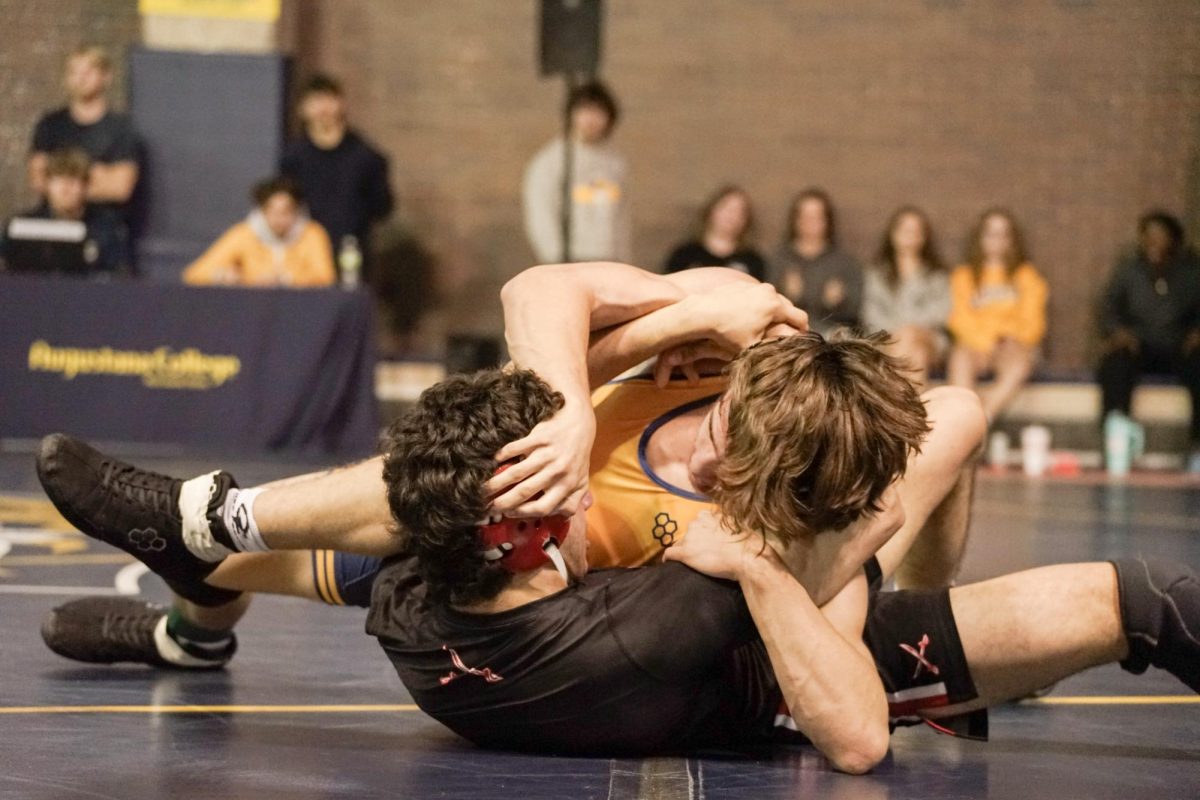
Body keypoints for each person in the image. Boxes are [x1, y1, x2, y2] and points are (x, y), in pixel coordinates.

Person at [35, 350, 1200, 773]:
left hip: (672, 652)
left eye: (728, 437)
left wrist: (792, 569)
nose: (704, 435)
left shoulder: (732, 564)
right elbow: (546, 292)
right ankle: (195, 574)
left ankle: (198, 560)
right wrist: (591, 399)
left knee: (1128, 597)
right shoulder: (766, 470)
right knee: (424, 511)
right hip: (608, 644)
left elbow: (846, 720)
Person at [1096, 211, 1200, 468]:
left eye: (1160, 236)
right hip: (1138, 344)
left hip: (1179, 345)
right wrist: (1117, 332)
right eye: (1148, 236)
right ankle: (1117, 433)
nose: (1154, 242)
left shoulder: (1191, 272)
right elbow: (1108, 309)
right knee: (1115, 363)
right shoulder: (1129, 270)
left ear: (1174, 240)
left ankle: (1198, 443)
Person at [280, 74, 394, 282]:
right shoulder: (293, 158)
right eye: (315, 101)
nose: (323, 109)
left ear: (341, 103)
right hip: (303, 254)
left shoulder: (365, 157)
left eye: (328, 99)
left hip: (351, 252)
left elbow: (382, 207)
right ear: (302, 109)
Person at [27, 46, 138, 241]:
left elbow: (120, 187)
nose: (81, 78)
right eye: (74, 72)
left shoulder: (120, 129)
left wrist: (62, 180)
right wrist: (96, 175)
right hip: (51, 228)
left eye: (88, 72)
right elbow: (38, 179)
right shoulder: (50, 125)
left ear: (106, 76)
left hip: (103, 231)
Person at [946, 209, 1049, 421]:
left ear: (1012, 240)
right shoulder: (964, 276)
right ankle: (962, 417)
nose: (997, 240)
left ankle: (983, 417)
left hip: (1012, 346)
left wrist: (1008, 338)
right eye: (991, 233)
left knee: (1021, 362)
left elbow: (1033, 321)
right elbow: (959, 319)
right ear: (980, 238)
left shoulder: (1027, 276)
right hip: (974, 346)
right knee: (960, 357)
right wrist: (986, 344)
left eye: (1003, 234)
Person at [522, 82, 631, 264]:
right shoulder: (553, 161)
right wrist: (554, 256)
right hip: (569, 259)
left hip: (607, 259)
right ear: (571, 115)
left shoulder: (615, 164)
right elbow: (541, 212)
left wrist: (623, 259)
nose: (591, 119)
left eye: (599, 112)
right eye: (585, 111)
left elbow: (622, 216)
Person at [181, 176, 336, 287]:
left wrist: (286, 280)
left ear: (297, 211)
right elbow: (193, 274)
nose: (279, 218)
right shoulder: (244, 234)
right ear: (261, 212)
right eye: (272, 211)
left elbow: (326, 277)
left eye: (286, 212)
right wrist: (224, 276)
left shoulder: (312, 234)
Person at [861, 206, 951, 389]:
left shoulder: (936, 274)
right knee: (916, 354)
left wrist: (910, 329)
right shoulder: (877, 274)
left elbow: (942, 312)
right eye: (904, 229)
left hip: (929, 338)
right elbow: (871, 314)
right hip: (886, 338)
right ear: (892, 233)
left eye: (915, 230)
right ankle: (917, 413)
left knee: (910, 338)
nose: (909, 235)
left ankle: (893, 411)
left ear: (924, 236)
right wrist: (899, 332)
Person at [2, 148, 127, 275]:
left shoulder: (106, 230)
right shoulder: (20, 227)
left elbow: (117, 276)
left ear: (85, 186)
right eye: (58, 179)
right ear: (47, 184)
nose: (65, 188)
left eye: (73, 180)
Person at [770, 188, 862, 336]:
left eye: (817, 217)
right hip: (789, 334)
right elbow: (766, 307)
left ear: (827, 221)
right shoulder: (780, 259)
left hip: (832, 335)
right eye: (805, 216)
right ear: (795, 220)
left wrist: (838, 302)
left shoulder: (844, 262)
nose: (810, 222)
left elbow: (856, 311)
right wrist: (787, 295)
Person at [663, 185, 766, 280]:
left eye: (739, 211)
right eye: (727, 209)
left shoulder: (752, 261)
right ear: (711, 211)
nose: (731, 216)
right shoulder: (685, 254)